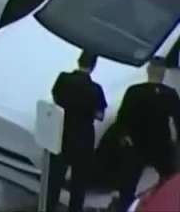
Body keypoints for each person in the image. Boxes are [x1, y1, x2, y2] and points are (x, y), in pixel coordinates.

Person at [114, 56, 180, 212]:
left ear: (148, 70)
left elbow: (121, 120)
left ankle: (126, 208)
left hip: (137, 145)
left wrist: (124, 138)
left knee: (128, 187)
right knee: (170, 182)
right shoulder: (170, 94)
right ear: (163, 72)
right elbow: (179, 121)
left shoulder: (134, 91)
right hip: (161, 145)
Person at [49, 51, 107, 212]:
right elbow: (100, 115)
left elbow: (55, 97)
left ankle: (49, 205)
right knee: (79, 181)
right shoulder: (95, 89)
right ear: (93, 66)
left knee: (55, 177)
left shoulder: (63, 78)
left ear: (78, 61)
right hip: (83, 138)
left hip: (62, 132)